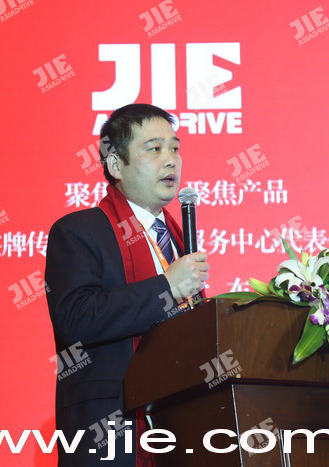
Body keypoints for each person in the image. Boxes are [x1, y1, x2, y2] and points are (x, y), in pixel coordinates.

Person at [45, 103, 210, 466]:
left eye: (175, 148)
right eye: (154, 149)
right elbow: (75, 318)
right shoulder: (79, 232)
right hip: (111, 431)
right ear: (116, 165)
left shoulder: (178, 239)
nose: (171, 160)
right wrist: (167, 287)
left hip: (181, 424)